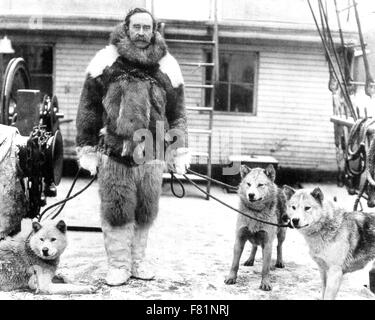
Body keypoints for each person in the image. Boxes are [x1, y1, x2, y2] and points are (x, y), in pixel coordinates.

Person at [75, 8, 190, 286]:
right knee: (117, 210)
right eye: (136, 27)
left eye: (146, 28)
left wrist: (178, 149)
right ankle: (118, 265)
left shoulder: (167, 65)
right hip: (115, 152)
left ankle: (137, 262)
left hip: (152, 152)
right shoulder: (107, 60)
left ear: (154, 31)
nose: (141, 33)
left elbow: (178, 113)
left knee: (145, 210)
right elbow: (88, 106)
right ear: (126, 28)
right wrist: (87, 147)